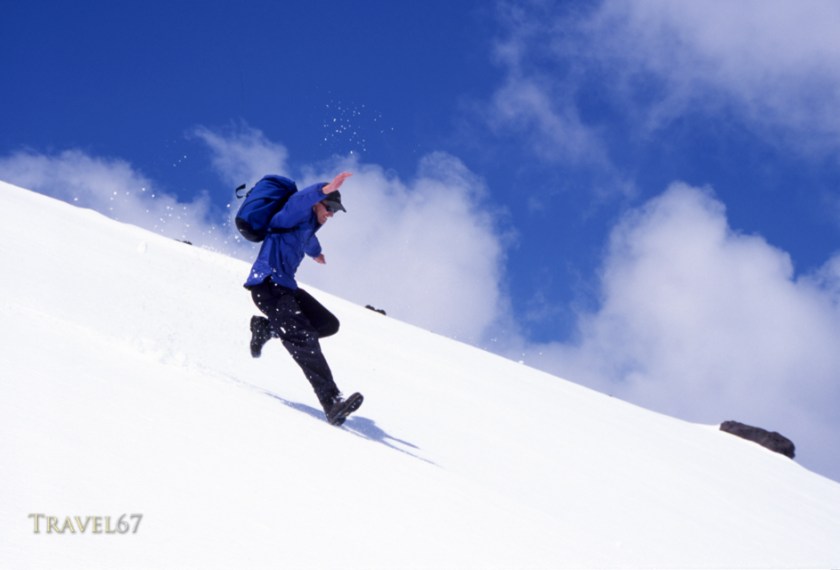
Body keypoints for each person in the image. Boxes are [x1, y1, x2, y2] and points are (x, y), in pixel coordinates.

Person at [244, 171, 363, 426]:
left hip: (285, 288)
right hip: (268, 286)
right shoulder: (292, 214)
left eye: (335, 211)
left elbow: (309, 241)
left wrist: (316, 254)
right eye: (330, 207)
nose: (331, 214)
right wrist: (324, 189)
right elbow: (298, 201)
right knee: (302, 337)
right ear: (317, 203)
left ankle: (266, 328)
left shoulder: (306, 227)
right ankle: (332, 402)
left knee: (327, 324)